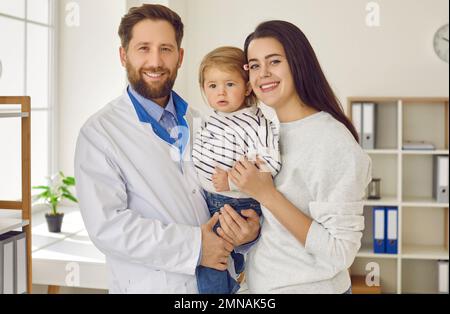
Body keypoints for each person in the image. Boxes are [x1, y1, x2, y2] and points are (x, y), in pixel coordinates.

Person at [74, 4, 260, 294]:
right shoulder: (99, 133)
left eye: (166, 49)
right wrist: (197, 247)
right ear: (123, 56)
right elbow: (108, 227)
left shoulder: (203, 121)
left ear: (180, 56)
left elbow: (228, 194)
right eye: (143, 48)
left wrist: (247, 232)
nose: (155, 61)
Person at [218, 20, 372, 294]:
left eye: (274, 61)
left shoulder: (334, 142)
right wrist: (248, 233)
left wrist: (267, 195)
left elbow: (340, 253)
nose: (263, 73)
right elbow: (277, 228)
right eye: (254, 65)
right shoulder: (265, 132)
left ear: (299, 63)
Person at [193, 46, 281, 294]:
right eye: (212, 86)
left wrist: (231, 181)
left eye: (229, 84)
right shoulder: (214, 118)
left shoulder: (254, 121)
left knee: (211, 263)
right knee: (211, 258)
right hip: (211, 200)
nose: (220, 92)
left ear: (247, 87)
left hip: (236, 203)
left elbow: (270, 163)